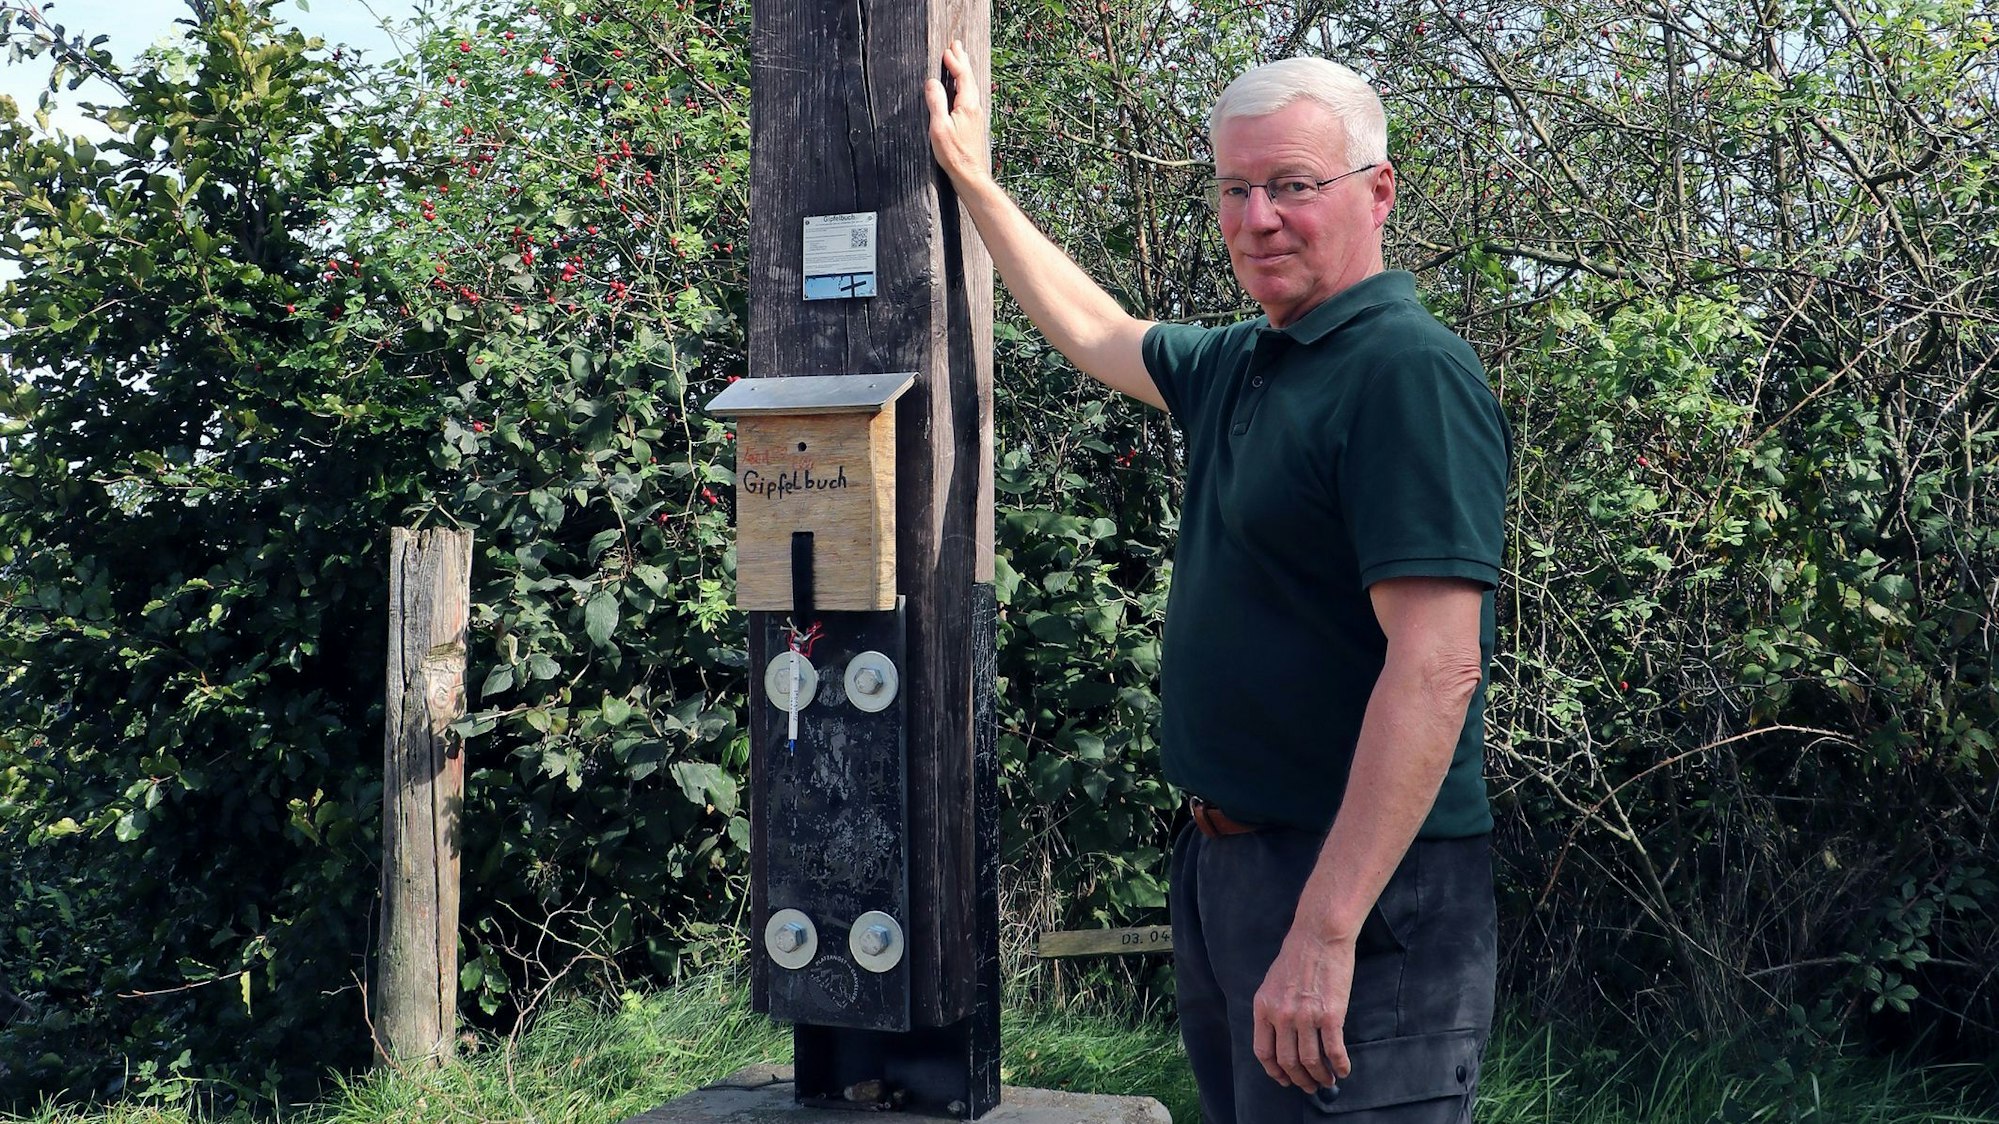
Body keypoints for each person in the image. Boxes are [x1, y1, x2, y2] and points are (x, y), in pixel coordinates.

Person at [927, 44, 1509, 1124]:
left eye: (1292, 185)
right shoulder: (1251, 358)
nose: (1257, 218)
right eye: (1235, 188)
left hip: (1356, 890)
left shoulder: (1405, 372)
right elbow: (1097, 330)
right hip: (1229, 867)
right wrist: (974, 184)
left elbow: (1437, 670)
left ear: (1377, 191)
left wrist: (1326, 928)